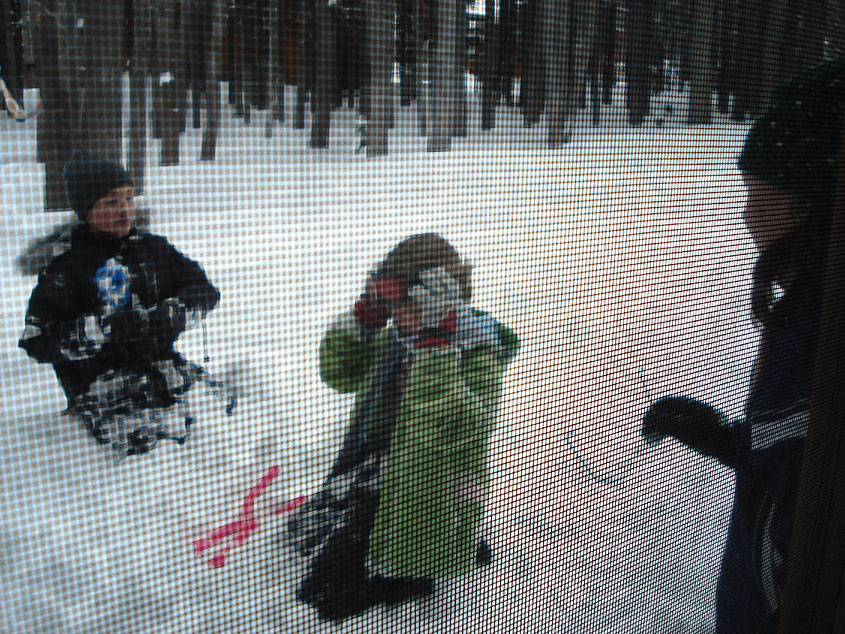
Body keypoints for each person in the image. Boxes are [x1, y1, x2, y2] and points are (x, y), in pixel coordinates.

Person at [641, 58, 843, 632]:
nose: (746, 215)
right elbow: (802, 464)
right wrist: (736, 442)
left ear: (810, 207)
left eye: (759, 196)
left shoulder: (819, 334)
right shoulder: (814, 308)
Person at [284, 233, 519, 621]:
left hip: (427, 483)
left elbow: (448, 430)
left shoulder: (479, 352)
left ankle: (426, 562)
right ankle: (427, 540)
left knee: (325, 593)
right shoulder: (396, 337)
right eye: (386, 299)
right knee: (302, 535)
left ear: (438, 304)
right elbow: (339, 375)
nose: (393, 314)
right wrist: (362, 322)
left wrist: (436, 347)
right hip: (378, 464)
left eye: (402, 303)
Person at [19, 149, 220, 457]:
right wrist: (100, 329)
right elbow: (36, 341)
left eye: (128, 198)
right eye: (111, 202)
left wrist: (174, 312)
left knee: (221, 416)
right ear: (86, 210)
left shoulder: (153, 249)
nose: (124, 209)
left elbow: (205, 290)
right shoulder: (64, 269)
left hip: (165, 372)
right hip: (102, 393)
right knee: (158, 452)